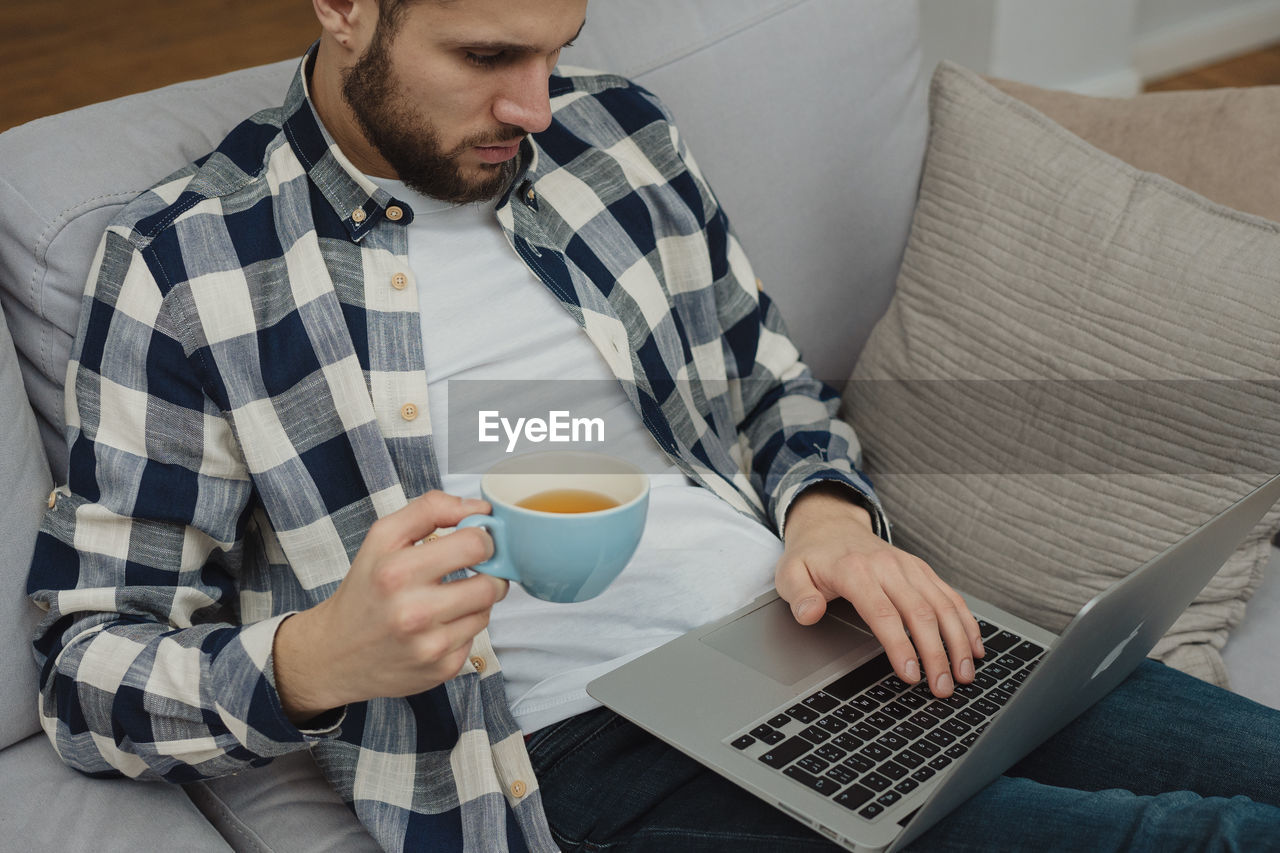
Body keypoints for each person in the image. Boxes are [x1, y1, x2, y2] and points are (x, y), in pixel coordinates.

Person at [25, 0, 1280, 851]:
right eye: (484, 54)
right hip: (579, 744)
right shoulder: (188, 267)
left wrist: (833, 517)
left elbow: (770, 394)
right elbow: (86, 677)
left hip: (817, 635)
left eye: (556, 46)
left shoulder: (613, 138)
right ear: (346, 4)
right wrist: (318, 659)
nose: (533, 103)